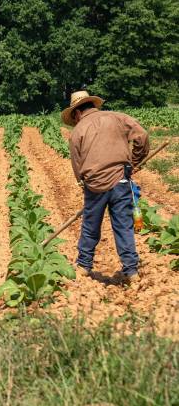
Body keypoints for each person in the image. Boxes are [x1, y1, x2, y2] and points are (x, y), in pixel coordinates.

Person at [62, 90, 149, 283]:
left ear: (76, 113)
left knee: (90, 227)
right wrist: (134, 162)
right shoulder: (117, 118)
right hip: (120, 180)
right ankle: (131, 270)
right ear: (92, 105)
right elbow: (142, 136)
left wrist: (83, 183)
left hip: (95, 184)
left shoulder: (78, 131)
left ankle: (84, 266)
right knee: (123, 226)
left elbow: (77, 164)